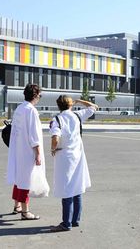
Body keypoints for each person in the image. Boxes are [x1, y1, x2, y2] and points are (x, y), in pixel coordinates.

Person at [49, 95, 98, 232]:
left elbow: (55, 137)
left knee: (66, 190)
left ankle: (66, 223)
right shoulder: (77, 115)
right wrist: (79, 101)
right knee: (77, 188)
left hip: (65, 157)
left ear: (58, 106)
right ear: (71, 105)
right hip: (78, 155)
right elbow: (94, 107)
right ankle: (75, 220)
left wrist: (53, 148)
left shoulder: (57, 119)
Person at [6, 84, 44, 220]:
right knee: (25, 180)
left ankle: (17, 205)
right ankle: (25, 211)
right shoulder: (31, 111)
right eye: (39, 95)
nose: (40, 98)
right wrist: (38, 153)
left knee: (19, 177)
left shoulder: (20, 108)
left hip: (18, 148)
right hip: (27, 149)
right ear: (34, 95)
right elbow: (34, 134)